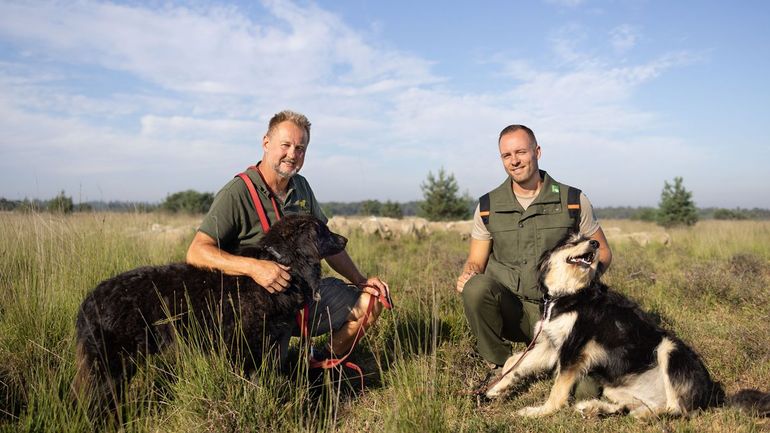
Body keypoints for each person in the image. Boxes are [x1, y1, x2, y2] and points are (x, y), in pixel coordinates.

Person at [186, 109, 388, 365]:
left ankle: (319, 362)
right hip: (256, 306)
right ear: (266, 143)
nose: (293, 154)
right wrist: (255, 268)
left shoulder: (301, 187)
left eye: (300, 148)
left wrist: (360, 279)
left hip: (301, 296)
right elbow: (196, 252)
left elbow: (328, 245)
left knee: (371, 301)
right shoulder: (237, 192)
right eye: (286, 145)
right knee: (270, 375)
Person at [455, 124, 612, 389]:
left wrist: (585, 279)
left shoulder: (572, 200)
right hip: (515, 313)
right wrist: (468, 273)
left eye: (520, 152)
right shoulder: (488, 206)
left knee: (587, 392)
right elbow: (476, 262)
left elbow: (603, 252)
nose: (514, 161)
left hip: (564, 312)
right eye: (507, 155)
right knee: (476, 287)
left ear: (537, 152)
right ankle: (503, 366)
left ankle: (561, 361)